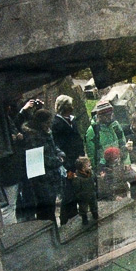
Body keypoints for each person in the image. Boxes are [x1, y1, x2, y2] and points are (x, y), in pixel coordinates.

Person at [21, 109, 65, 223]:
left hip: (52, 174)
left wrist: (60, 153)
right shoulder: (32, 137)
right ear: (41, 123)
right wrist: (57, 161)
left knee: (52, 204)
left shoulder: (47, 132)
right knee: (46, 208)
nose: (49, 125)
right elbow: (39, 157)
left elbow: (53, 146)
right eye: (47, 122)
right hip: (41, 177)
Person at [51, 95, 84, 225]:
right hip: (67, 163)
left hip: (77, 160)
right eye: (70, 105)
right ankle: (65, 219)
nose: (72, 107)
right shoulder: (57, 124)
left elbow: (78, 139)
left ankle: (75, 215)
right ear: (64, 107)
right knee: (68, 191)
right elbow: (58, 144)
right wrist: (65, 161)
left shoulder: (72, 121)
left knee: (76, 188)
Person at [85, 100, 130, 172]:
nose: (110, 117)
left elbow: (123, 143)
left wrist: (127, 162)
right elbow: (92, 154)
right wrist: (97, 170)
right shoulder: (92, 130)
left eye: (111, 114)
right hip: (104, 167)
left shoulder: (115, 125)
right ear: (100, 116)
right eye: (107, 115)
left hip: (119, 162)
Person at [71, 156, 98, 225]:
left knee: (94, 205)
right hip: (82, 196)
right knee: (83, 208)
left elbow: (95, 179)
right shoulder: (77, 177)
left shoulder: (91, 173)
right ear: (83, 169)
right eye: (88, 166)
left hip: (92, 193)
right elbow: (76, 187)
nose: (90, 167)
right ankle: (84, 218)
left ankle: (95, 214)